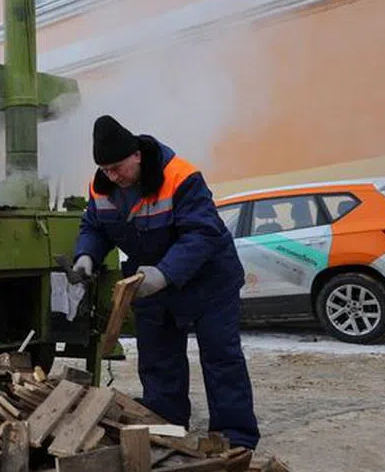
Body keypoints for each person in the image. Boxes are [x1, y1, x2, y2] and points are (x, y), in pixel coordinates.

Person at [71, 115, 260, 449]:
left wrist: (164, 273)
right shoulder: (102, 186)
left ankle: (235, 437)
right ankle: (167, 423)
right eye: (105, 170)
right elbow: (94, 227)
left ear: (137, 156)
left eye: (117, 168)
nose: (112, 176)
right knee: (158, 358)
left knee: (220, 357)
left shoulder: (181, 177)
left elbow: (202, 233)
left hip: (208, 280)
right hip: (150, 281)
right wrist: (86, 256)